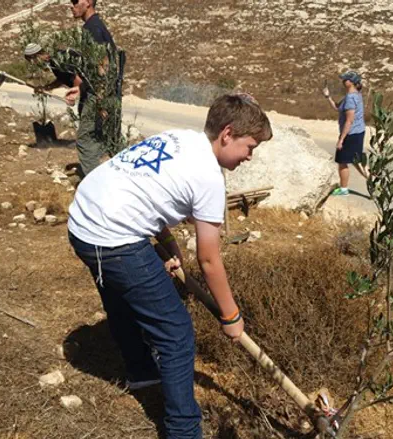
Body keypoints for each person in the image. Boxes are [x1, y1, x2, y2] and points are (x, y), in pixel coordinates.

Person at [67, 94, 272, 439]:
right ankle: (183, 430)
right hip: (112, 237)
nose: (250, 157)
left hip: (83, 221)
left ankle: (142, 371)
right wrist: (231, 315)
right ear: (227, 134)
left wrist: (168, 245)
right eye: (249, 146)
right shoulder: (209, 178)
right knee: (176, 334)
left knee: (120, 303)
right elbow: (209, 259)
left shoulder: (180, 138)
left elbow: (142, 188)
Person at [25, 0, 122, 178]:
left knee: (86, 141)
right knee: (107, 140)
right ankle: (121, 179)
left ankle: (95, 187)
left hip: (97, 95)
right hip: (96, 93)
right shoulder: (91, 27)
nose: (72, 6)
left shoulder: (93, 29)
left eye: (76, 2)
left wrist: (98, 100)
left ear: (88, 3)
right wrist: (78, 89)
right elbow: (86, 72)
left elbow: (103, 67)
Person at [322, 71, 369, 196]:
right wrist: (328, 97)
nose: (343, 82)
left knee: (342, 161)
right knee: (357, 160)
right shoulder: (355, 95)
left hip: (351, 134)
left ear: (351, 82)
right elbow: (337, 108)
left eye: (345, 80)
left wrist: (341, 139)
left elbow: (349, 120)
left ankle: (344, 189)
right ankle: (374, 181)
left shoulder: (350, 97)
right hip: (358, 132)